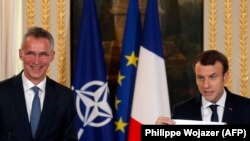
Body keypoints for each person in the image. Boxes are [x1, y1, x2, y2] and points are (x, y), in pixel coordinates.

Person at [0, 26, 77, 140]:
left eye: (43, 54)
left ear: (52, 56)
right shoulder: (2, 93)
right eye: (30, 53)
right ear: (21, 54)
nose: (36, 61)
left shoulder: (65, 97)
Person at [156, 50, 250, 125]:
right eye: (200, 78)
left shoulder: (246, 108)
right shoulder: (182, 111)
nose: (206, 85)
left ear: (225, 77)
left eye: (212, 77)